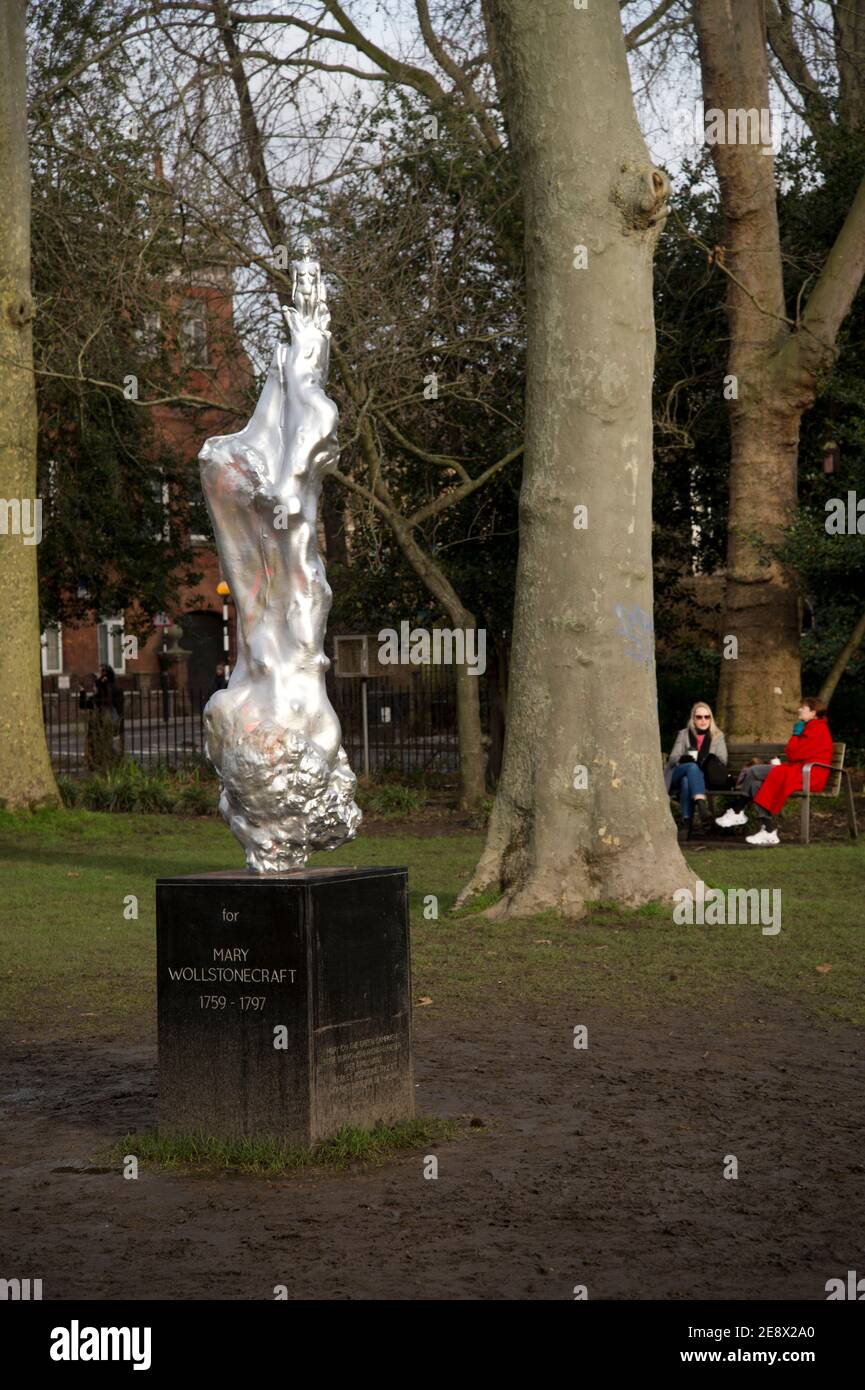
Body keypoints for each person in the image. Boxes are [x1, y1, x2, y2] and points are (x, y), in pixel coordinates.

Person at [720, 697, 833, 847]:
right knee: (754, 784)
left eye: (803, 708)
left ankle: (737, 810)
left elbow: (794, 753)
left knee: (753, 771)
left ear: (813, 713)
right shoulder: (812, 727)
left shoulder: (817, 729)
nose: (799, 709)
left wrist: (795, 735)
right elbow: (798, 755)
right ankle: (768, 830)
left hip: (809, 775)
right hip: (799, 770)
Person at [664, 702, 729, 840]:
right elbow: (672, 759)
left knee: (687, 780)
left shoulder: (717, 736)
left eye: (707, 717)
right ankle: (701, 803)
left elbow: (723, 759)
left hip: (702, 777)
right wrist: (683, 758)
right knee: (691, 767)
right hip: (679, 772)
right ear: (693, 719)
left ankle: (686, 823)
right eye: (699, 717)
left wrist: (704, 760)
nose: (703, 720)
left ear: (711, 719)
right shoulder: (684, 734)